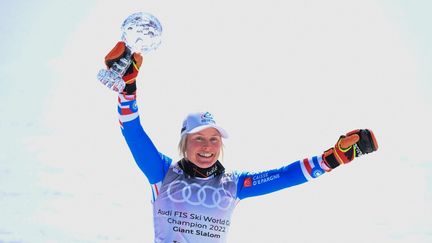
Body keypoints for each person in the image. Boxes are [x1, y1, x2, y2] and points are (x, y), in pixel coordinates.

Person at [101, 42, 378, 243]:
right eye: (198, 139)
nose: (207, 146)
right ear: (185, 144)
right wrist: (129, 88)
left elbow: (285, 176)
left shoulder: (233, 185)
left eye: (213, 139)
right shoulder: (163, 174)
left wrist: (333, 159)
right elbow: (133, 133)